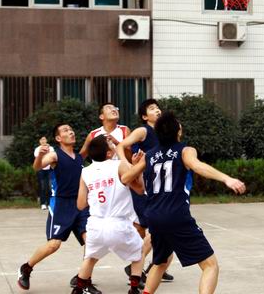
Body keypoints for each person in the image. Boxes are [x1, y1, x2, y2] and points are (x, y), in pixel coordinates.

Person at [122, 112, 247, 294]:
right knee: (210, 265)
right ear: (178, 131)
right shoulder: (185, 150)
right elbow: (196, 165)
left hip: (154, 216)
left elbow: (125, 178)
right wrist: (226, 178)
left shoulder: (149, 155)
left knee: (160, 262)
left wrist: (136, 169)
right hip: (176, 215)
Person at [18, 124, 100, 294]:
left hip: (80, 205)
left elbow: (89, 142)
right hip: (61, 205)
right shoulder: (55, 155)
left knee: (92, 243)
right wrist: (40, 155)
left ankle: (84, 280)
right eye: (65, 131)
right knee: (54, 245)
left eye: (71, 129)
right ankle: (26, 268)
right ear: (58, 138)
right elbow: (37, 167)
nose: (71, 132)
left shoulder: (79, 157)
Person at [72, 135, 144, 294]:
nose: (114, 144)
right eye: (111, 144)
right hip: (118, 223)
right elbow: (140, 189)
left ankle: (78, 289)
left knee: (90, 258)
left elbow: (80, 204)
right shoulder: (119, 165)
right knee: (139, 253)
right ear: (109, 153)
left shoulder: (85, 171)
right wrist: (137, 168)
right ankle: (134, 289)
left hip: (95, 224)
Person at [116, 99, 174, 283]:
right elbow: (121, 146)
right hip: (147, 186)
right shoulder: (143, 131)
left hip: (162, 186)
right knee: (158, 229)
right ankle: (137, 266)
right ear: (144, 116)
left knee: (160, 230)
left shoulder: (164, 132)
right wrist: (126, 165)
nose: (157, 110)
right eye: (152, 109)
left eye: (158, 108)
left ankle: (156, 265)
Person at [33, 136, 52, 210]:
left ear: (46, 140)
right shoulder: (37, 149)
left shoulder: (51, 148)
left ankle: (49, 203)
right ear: (40, 141)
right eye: (42, 139)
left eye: (44, 139)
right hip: (41, 170)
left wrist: (48, 150)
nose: (43, 141)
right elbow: (38, 159)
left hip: (49, 169)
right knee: (42, 187)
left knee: (49, 187)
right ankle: (43, 203)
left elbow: (52, 158)